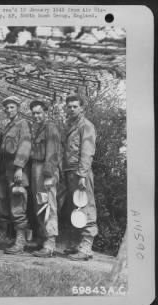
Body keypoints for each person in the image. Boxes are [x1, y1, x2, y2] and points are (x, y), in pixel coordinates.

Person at [60, 93, 97, 261]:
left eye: (75, 106)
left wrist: (82, 174)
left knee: (86, 205)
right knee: (75, 208)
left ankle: (87, 246)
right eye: (70, 106)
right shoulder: (68, 125)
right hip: (69, 171)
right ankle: (77, 243)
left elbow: (87, 152)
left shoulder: (86, 126)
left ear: (82, 108)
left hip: (81, 172)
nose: (72, 109)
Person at [0, 96, 32, 255]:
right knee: (9, 205)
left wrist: (19, 168)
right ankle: (16, 238)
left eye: (12, 107)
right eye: (7, 108)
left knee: (18, 206)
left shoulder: (22, 124)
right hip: (8, 170)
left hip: (18, 171)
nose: (9, 110)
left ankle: (20, 241)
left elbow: (25, 146)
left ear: (18, 108)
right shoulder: (7, 126)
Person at [29, 100, 61, 258]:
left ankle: (50, 244)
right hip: (36, 168)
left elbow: (53, 153)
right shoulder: (37, 128)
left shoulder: (50, 128)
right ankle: (43, 239)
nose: (36, 116)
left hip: (45, 169)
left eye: (39, 113)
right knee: (39, 205)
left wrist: (49, 175)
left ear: (45, 113)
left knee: (48, 205)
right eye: (34, 113)